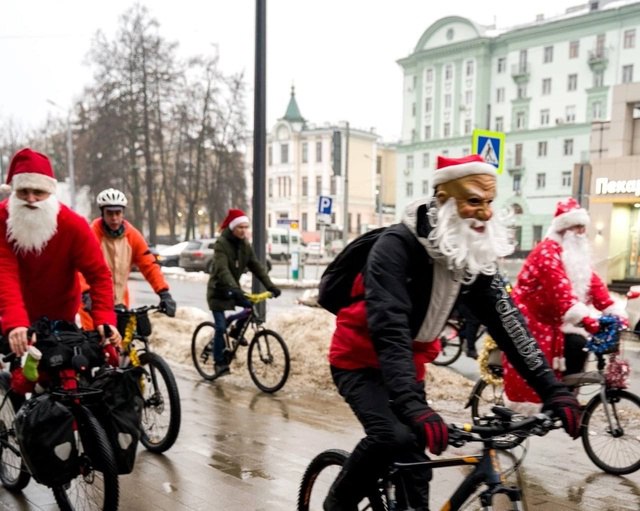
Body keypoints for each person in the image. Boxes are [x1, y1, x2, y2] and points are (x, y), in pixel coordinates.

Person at [324, 154, 581, 511]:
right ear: (444, 200)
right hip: (358, 360)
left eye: (490, 203)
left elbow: (509, 325)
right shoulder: (396, 247)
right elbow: (390, 329)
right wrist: (414, 407)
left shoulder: (469, 254)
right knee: (393, 437)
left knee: (417, 464)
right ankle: (337, 503)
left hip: (406, 365)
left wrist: (553, 389)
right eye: (474, 201)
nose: (485, 213)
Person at [503, 197, 627, 405]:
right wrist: (588, 321)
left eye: (582, 227)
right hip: (531, 318)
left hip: (556, 320)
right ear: (564, 229)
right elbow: (560, 291)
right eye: (576, 227)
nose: (581, 233)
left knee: (579, 346)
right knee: (538, 364)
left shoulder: (575, 255)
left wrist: (614, 312)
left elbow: (593, 285)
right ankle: (548, 402)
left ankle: (566, 399)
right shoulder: (546, 252)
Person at [0, 148, 120, 358]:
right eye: (23, 191)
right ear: (14, 192)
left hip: (61, 312)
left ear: (50, 193)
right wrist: (16, 322)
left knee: (64, 373)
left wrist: (104, 318)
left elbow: (98, 274)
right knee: (21, 376)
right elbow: (4, 273)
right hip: (14, 308)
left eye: (38, 192)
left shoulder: (73, 225)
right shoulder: (3, 219)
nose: (31, 199)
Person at [78, 188, 176, 331]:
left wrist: (163, 293)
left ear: (123, 213)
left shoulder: (132, 235)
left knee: (124, 346)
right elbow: (80, 268)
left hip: (120, 302)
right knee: (97, 347)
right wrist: (86, 294)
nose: (114, 218)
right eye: (109, 213)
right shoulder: (91, 234)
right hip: (93, 304)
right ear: (102, 213)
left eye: (118, 213)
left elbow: (149, 264)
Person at [206, 208, 281, 377]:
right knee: (219, 328)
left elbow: (256, 267)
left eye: (246, 227)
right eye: (240, 227)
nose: (243, 230)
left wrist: (271, 286)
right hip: (218, 291)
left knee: (250, 308)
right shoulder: (221, 244)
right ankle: (219, 363)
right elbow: (222, 269)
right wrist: (233, 288)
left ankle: (235, 331)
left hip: (234, 289)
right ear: (232, 227)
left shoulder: (245, 245)